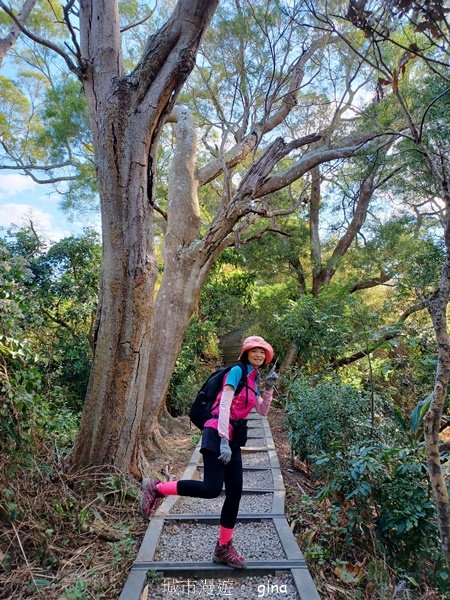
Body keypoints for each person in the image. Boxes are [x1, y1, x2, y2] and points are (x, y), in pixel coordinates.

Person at [139, 335, 278, 569]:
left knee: (235, 492)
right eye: (254, 350)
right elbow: (224, 404)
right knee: (212, 489)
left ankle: (223, 547)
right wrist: (223, 440)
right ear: (245, 352)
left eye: (262, 352)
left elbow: (262, 411)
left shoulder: (254, 379)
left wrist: (269, 388)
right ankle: (157, 488)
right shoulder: (236, 371)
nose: (258, 355)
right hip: (217, 433)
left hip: (232, 438)